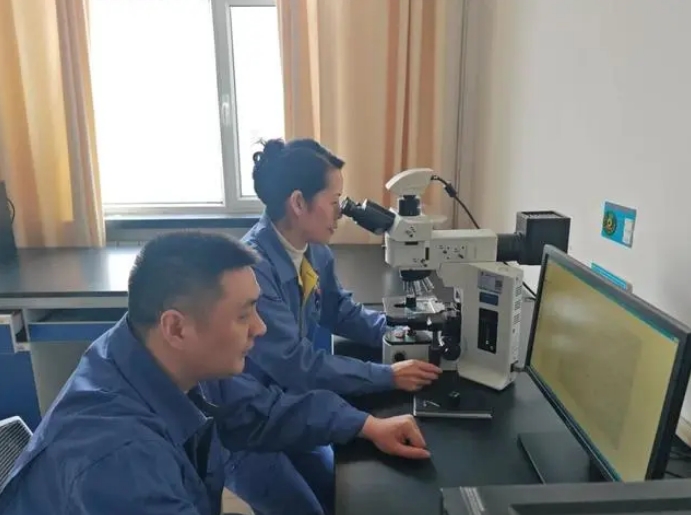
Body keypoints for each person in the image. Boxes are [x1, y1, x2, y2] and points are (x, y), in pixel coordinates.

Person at [0, 231, 431, 515]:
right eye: (244, 315)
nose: (260, 328)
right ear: (177, 327)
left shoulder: (149, 350)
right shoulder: (119, 461)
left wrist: (366, 424)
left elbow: (258, 410)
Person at [211, 138, 443, 515]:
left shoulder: (315, 249)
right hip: (246, 425)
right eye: (335, 202)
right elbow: (297, 364)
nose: (341, 212)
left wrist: (398, 334)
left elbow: (340, 310)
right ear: (298, 203)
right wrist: (386, 375)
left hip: (292, 406)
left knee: (339, 493)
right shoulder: (254, 270)